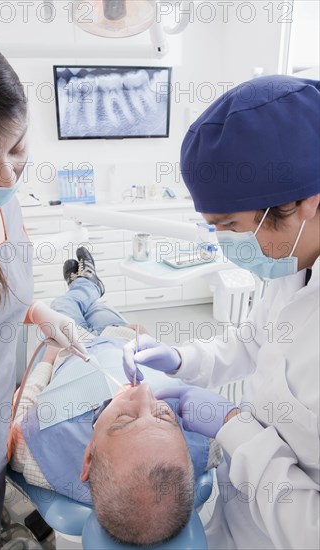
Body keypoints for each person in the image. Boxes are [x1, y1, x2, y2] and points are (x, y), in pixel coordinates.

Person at [123, 75, 320, 549]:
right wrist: (180, 359)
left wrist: (236, 428)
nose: (227, 245)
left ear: (303, 204)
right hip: (238, 513)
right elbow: (254, 342)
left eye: (231, 225)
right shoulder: (292, 263)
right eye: (215, 228)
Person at [0, 18, 89, 550]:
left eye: (17, 148)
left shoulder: (0, 200)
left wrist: (39, 313)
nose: (8, 179)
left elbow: (0, 290)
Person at [11, 249, 214, 546]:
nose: (144, 392)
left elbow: (23, 404)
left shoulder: (35, 452)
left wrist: (47, 361)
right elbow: (184, 379)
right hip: (122, 340)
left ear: (89, 457)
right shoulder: (206, 441)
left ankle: (83, 282)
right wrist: (157, 345)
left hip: (67, 351)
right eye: (163, 415)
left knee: (64, 305)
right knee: (101, 309)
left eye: (125, 418)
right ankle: (88, 284)